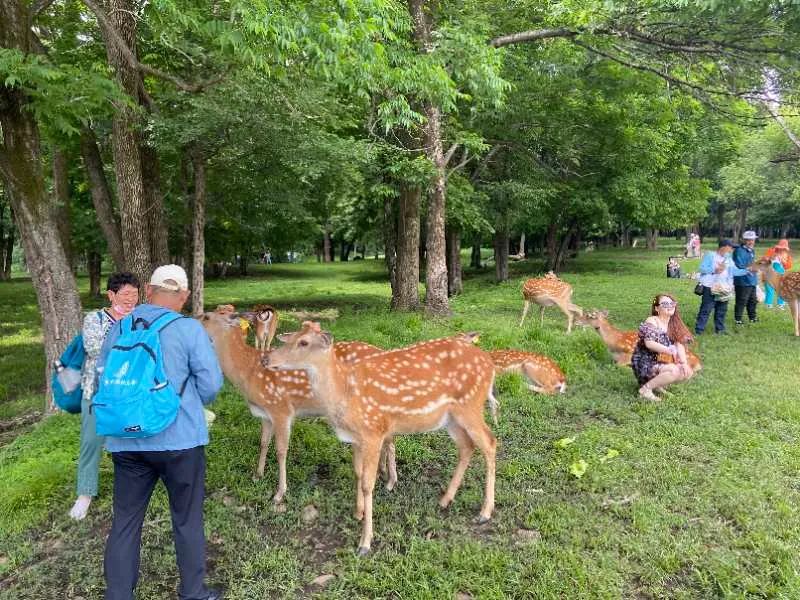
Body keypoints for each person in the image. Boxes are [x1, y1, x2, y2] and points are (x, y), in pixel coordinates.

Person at [98, 265, 224, 600]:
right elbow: (211, 384)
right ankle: (194, 592)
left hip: (126, 440)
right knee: (187, 519)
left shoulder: (120, 326)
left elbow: (103, 379)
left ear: (149, 291)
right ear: (183, 296)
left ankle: (119, 595)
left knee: (125, 521)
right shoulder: (188, 329)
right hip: (179, 441)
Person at [69, 273, 140, 521]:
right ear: (111, 295)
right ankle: (85, 493)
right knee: (91, 442)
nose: (131, 299)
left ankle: (133, 490)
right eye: (125, 294)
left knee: (131, 441)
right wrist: (128, 340)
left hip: (130, 394)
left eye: (135, 294)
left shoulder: (140, 320)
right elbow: (95, 348)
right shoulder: (95, 319)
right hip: (97, 392)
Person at [631, 293, 695, 401]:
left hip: (663, 360)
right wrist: (668, 350)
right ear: (657, 308)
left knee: (686, 372)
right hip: (646, 361)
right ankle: (645, 389)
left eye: (672, 303)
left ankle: (657, 385)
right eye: (665, 304)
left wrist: (684, 363)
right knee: (673, 371)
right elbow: (649, 343)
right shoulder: (652, 321)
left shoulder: (673, 324)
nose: (670, 306)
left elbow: (679, 345)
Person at [694, 239, 750, 335]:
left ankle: (720, 329)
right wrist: (714, 270)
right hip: (710, 287)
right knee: (706, 309)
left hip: (724, 288)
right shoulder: (710, 255)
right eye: (730, 248)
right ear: (724, 247)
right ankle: (699, 330)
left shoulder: (728, 258)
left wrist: (748, 270)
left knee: (722, 309)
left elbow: (734, 271)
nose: (731, 250)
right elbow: (702, 268)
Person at [732, 230, 759, 325]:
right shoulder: (739, 251)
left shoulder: (752, 250)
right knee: (742, 300)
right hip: (742, 280)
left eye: (752, 240)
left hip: (752, 280)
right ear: (744, 240)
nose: (751, 242)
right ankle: (738, 319)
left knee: (753, 300)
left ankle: (752, 317)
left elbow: (752, 263)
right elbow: (739, 265)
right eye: (748, 240)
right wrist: (751, 268)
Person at [763, 239, 793, 309]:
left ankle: (781, 304)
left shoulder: (787, 256)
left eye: (784, 249)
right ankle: (768, 304)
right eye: (781, 248)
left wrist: (783, 262)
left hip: (780, 274)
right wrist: (771, 258)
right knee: (769, 288)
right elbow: (764, 260)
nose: (781, 250)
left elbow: (788, 266)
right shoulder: (771, 251)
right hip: (770, 274)